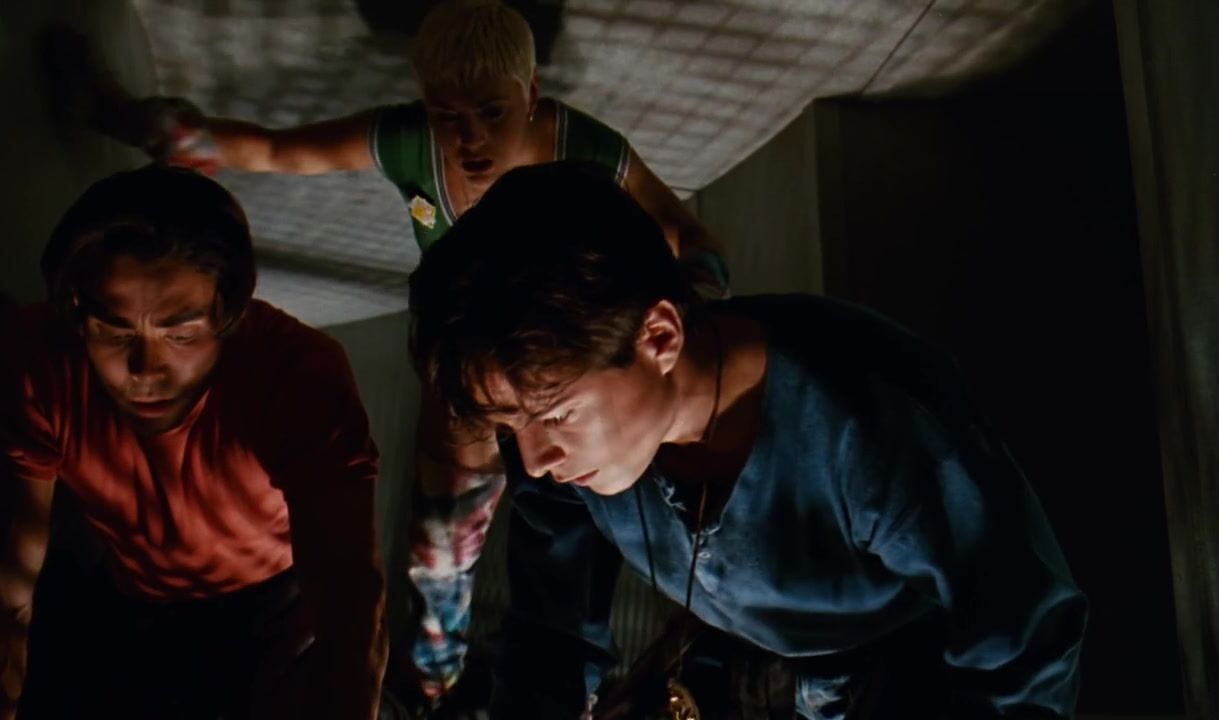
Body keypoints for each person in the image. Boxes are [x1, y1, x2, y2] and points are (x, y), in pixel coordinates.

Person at [50, 1, 730, 707]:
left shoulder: (581, 149)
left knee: (571, 541)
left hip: (568, 383)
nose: (470, 139)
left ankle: (563, 680)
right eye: (448, 116)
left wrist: (694, 323)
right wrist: (140, 120)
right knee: (441, 550)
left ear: (530, 94)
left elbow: (685, 234)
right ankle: (437, 683)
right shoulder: (413, 144)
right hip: (468, 380)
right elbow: (277, 150)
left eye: (492, 113)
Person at [406, 161, 1089, 719]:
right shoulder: (559, 444)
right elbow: (549, 640)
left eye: (556, 416)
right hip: (739, 662)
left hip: (910, 676)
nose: (533, 462)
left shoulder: (873, 422)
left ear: (658, 337)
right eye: (509, 428)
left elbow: (1022, 641)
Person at [0, 165, 387, 719]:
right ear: (78, 312)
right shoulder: (42, 362)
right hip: (130, 594)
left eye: (181, 335)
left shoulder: (296, 375)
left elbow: (350, 604)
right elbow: (17, 562)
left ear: (228, 313)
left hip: (273, 605)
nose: (145, 367)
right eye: (113, 331)